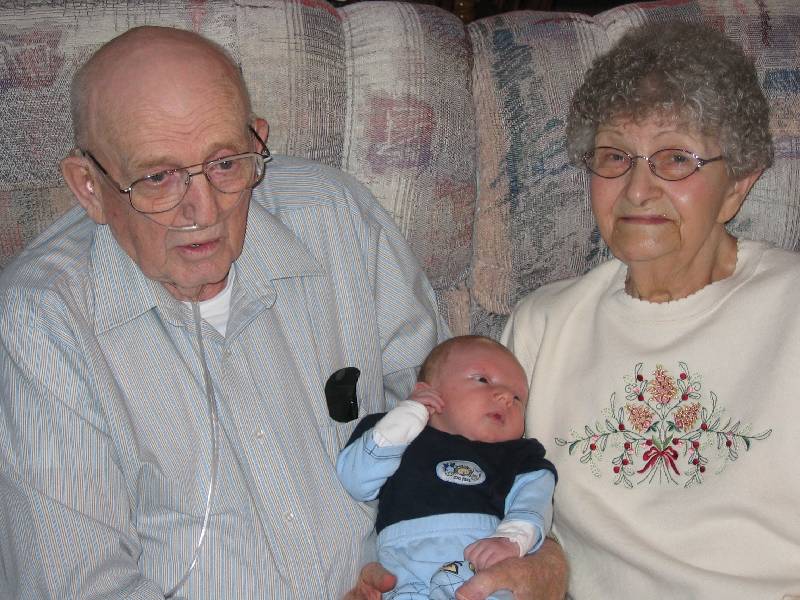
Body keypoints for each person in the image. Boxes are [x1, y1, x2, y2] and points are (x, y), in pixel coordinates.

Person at [0, 25, 452, 599]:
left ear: (256, 140)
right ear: (89, 186)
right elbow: (79, 585)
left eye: (224, 163)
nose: (204, 209)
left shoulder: (335, 217)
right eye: (158, 177)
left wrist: (521, 548)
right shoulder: (42, 319)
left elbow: (458, 414)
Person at [502, 21, 800, 599]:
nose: (637, 189)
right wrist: (543, 556)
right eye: (615, 156)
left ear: (737, 186)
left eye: (675, 158)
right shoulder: (543, 326)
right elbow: (478, 487)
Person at [337, 336, 557, 600]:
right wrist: (407, 416)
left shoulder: (517, 455)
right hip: (403, 571)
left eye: (518, 398)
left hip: (480, 562)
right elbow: (356, 481)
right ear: (427, 391)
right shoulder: (393, 433)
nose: (506, 397)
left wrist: (512, 539)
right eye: (483, 380)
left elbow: (535, 498)